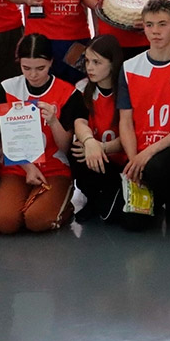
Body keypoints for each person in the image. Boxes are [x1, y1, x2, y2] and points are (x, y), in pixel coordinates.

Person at [117, 0, 170, 229]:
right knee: (133, 225)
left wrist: (148, 153)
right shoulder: (129, 67)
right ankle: (162, 195)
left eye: (162, 24)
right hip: (138, 150)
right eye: (149, 25)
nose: (155, 31)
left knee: (156, 167)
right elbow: (125, 121)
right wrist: (133, 159)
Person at [0, 34, 83, 234]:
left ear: (51, 62)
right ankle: (29, 201)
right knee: (5, 223)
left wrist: (53, 121)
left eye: (40, 68)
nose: (33, 75)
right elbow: (4, 138)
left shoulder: (68, 93)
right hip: (18, 166)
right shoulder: (7, 88)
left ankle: (62, 205)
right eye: (26, 68)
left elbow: (65, 147)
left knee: (36, 221)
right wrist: (28, 167)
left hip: (54, 167)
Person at [70, 36, 128, 224]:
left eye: (97, 62)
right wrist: (89, 142)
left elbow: (131, 135)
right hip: (95, 159)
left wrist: (101, 147)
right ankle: (93, 198)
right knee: (76, 150)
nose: (90, 67)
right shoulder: (82, 89)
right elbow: (79, 123)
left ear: (113, 64)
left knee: (117, 217)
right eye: (87, 61)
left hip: (123, 161)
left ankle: (112, 196)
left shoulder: (127, 90)